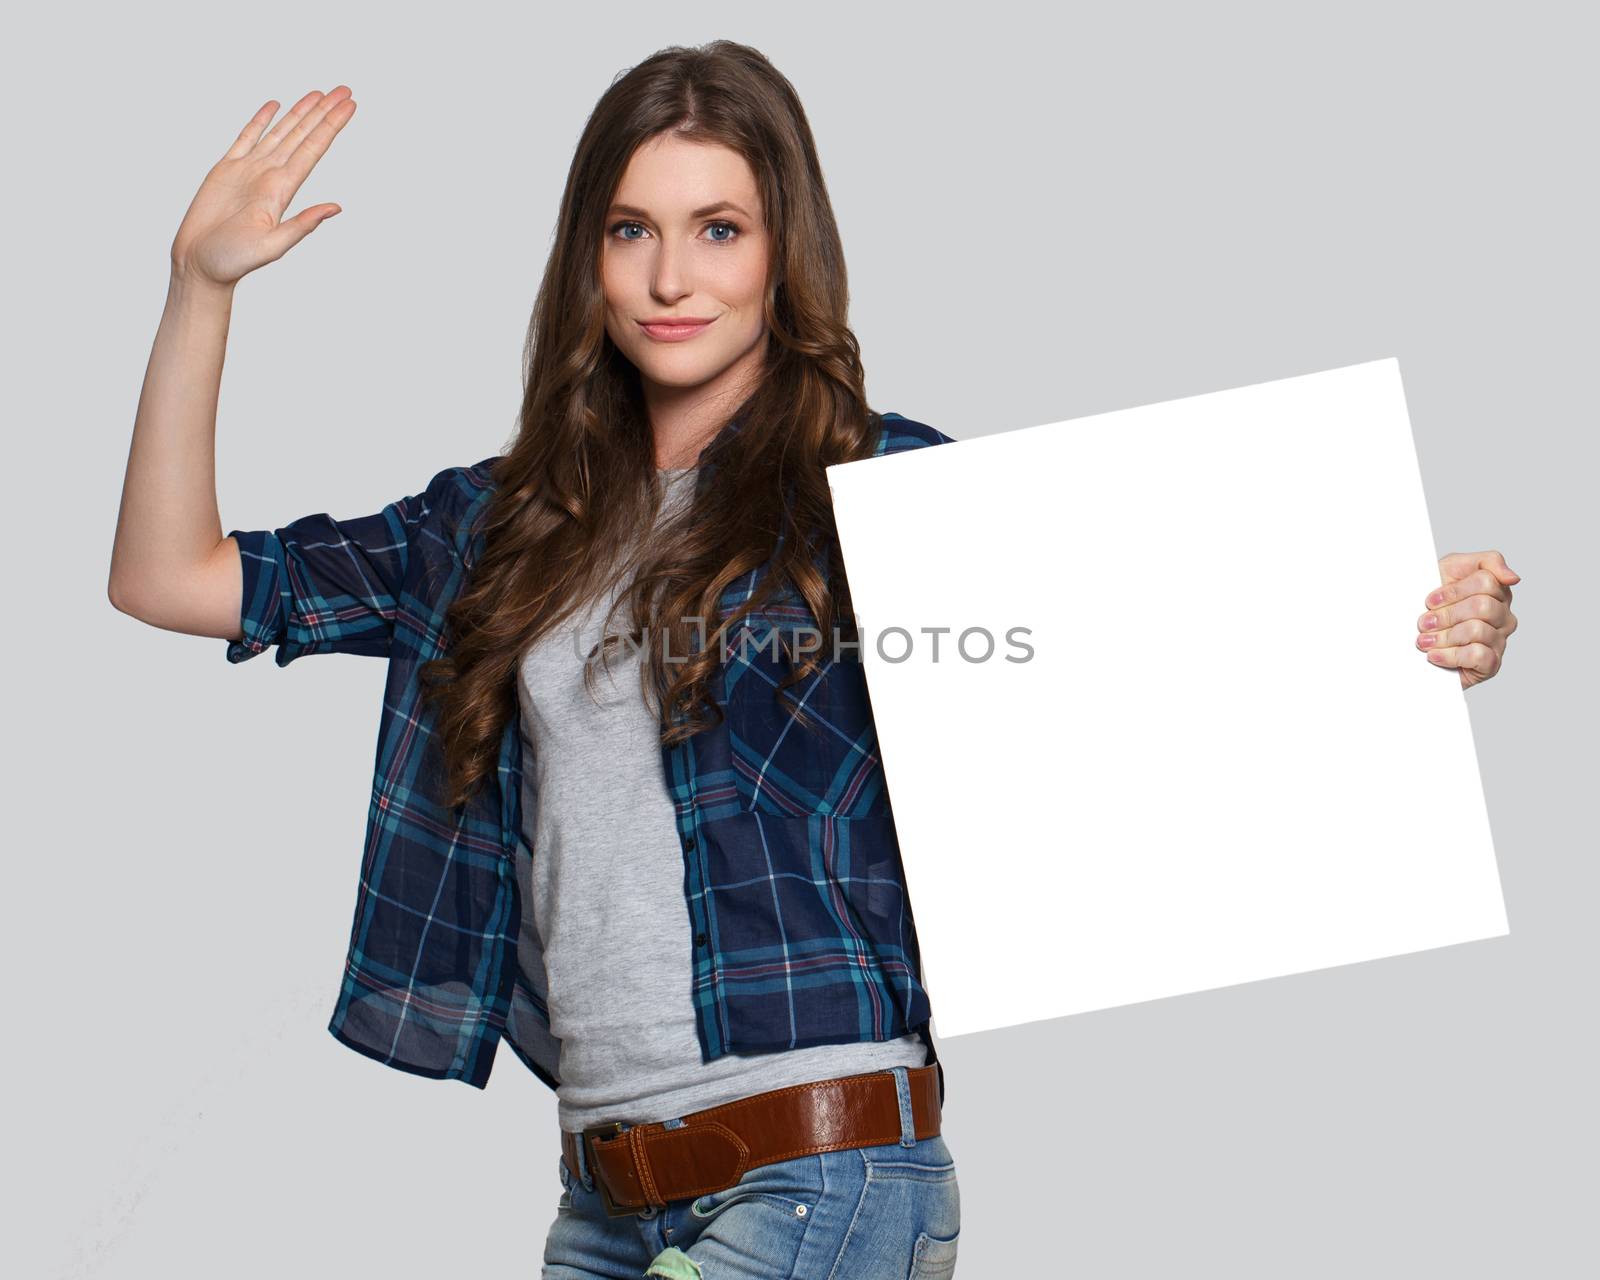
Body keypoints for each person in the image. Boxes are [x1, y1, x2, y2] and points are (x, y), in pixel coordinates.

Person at [108, 40, 1522, 1280]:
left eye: (718, 229)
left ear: (783, 249)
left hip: (820, 1175)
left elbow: (1169, 636)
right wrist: (200, 287)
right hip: (600, 1202)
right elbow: (170, 578)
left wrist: (1412, 619)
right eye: (630, 231)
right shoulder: (493, 527)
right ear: (585, 257)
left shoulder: (876, 490)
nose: (671, 277)